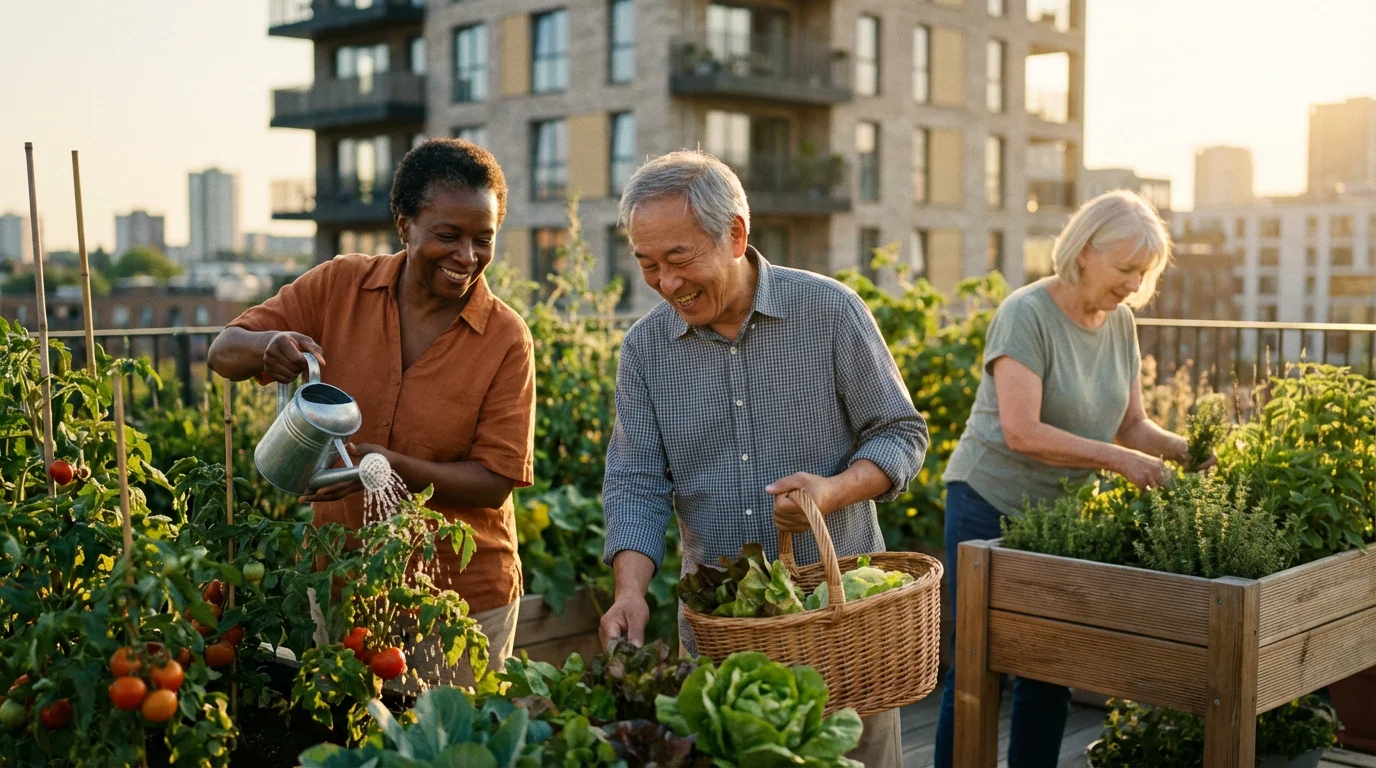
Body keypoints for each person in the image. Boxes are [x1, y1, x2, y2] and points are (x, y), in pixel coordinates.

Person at [598, 150, 929, 766]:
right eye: (647, 265)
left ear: (735, 235)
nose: (666, 283)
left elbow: (901, 433)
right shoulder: (644, 350)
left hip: (842, 625)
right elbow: (636, 483)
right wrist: (630, 592)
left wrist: (833, 491)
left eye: (679, 259)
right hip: (725, 635)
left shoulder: (830, 311)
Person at [207, 138, 535, 687]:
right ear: (404, 224)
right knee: (352, 741)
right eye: (448, 236)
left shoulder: (505, 338)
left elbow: (494, 482)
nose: (466, 257)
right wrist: (268, 347)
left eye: (484, 239)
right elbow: (223, 351)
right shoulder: (340, 285)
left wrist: (383, 467)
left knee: (449, 745)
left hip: (458, 603)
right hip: (343, 582)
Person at [932, 190, 1208, 767]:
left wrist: (1188, 451)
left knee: (1052, 666)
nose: (1134, 284)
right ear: (1084, 252)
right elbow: (1022, 432)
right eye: (1125, 268)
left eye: (1144, 272)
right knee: (979, 667)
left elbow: (1131, 425)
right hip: (988, 502)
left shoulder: (1120, 323)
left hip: (1056, 519)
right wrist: (1118, 461)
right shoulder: (1026, 313)